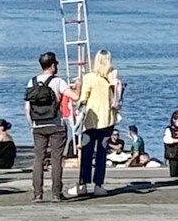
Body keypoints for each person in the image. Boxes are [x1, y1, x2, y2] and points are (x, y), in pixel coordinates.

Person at [22, 52, 70, 204]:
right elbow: (75, 97)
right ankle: (56, 193)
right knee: (56, 159)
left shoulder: (32, 82)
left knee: (38, 159)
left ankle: (38, 194)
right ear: (53, 65)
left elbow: (27, 108)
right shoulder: (58, 81)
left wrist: (31, 125)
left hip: (38, 125)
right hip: (56, 124)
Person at [74, 49, 118, 198]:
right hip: (108, 120)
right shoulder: (112, 78)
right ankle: (98, 184)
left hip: (91, 121)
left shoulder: (89, 77)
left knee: (87, 151)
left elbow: (83, 98)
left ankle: (83, 184)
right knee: (101, 153)